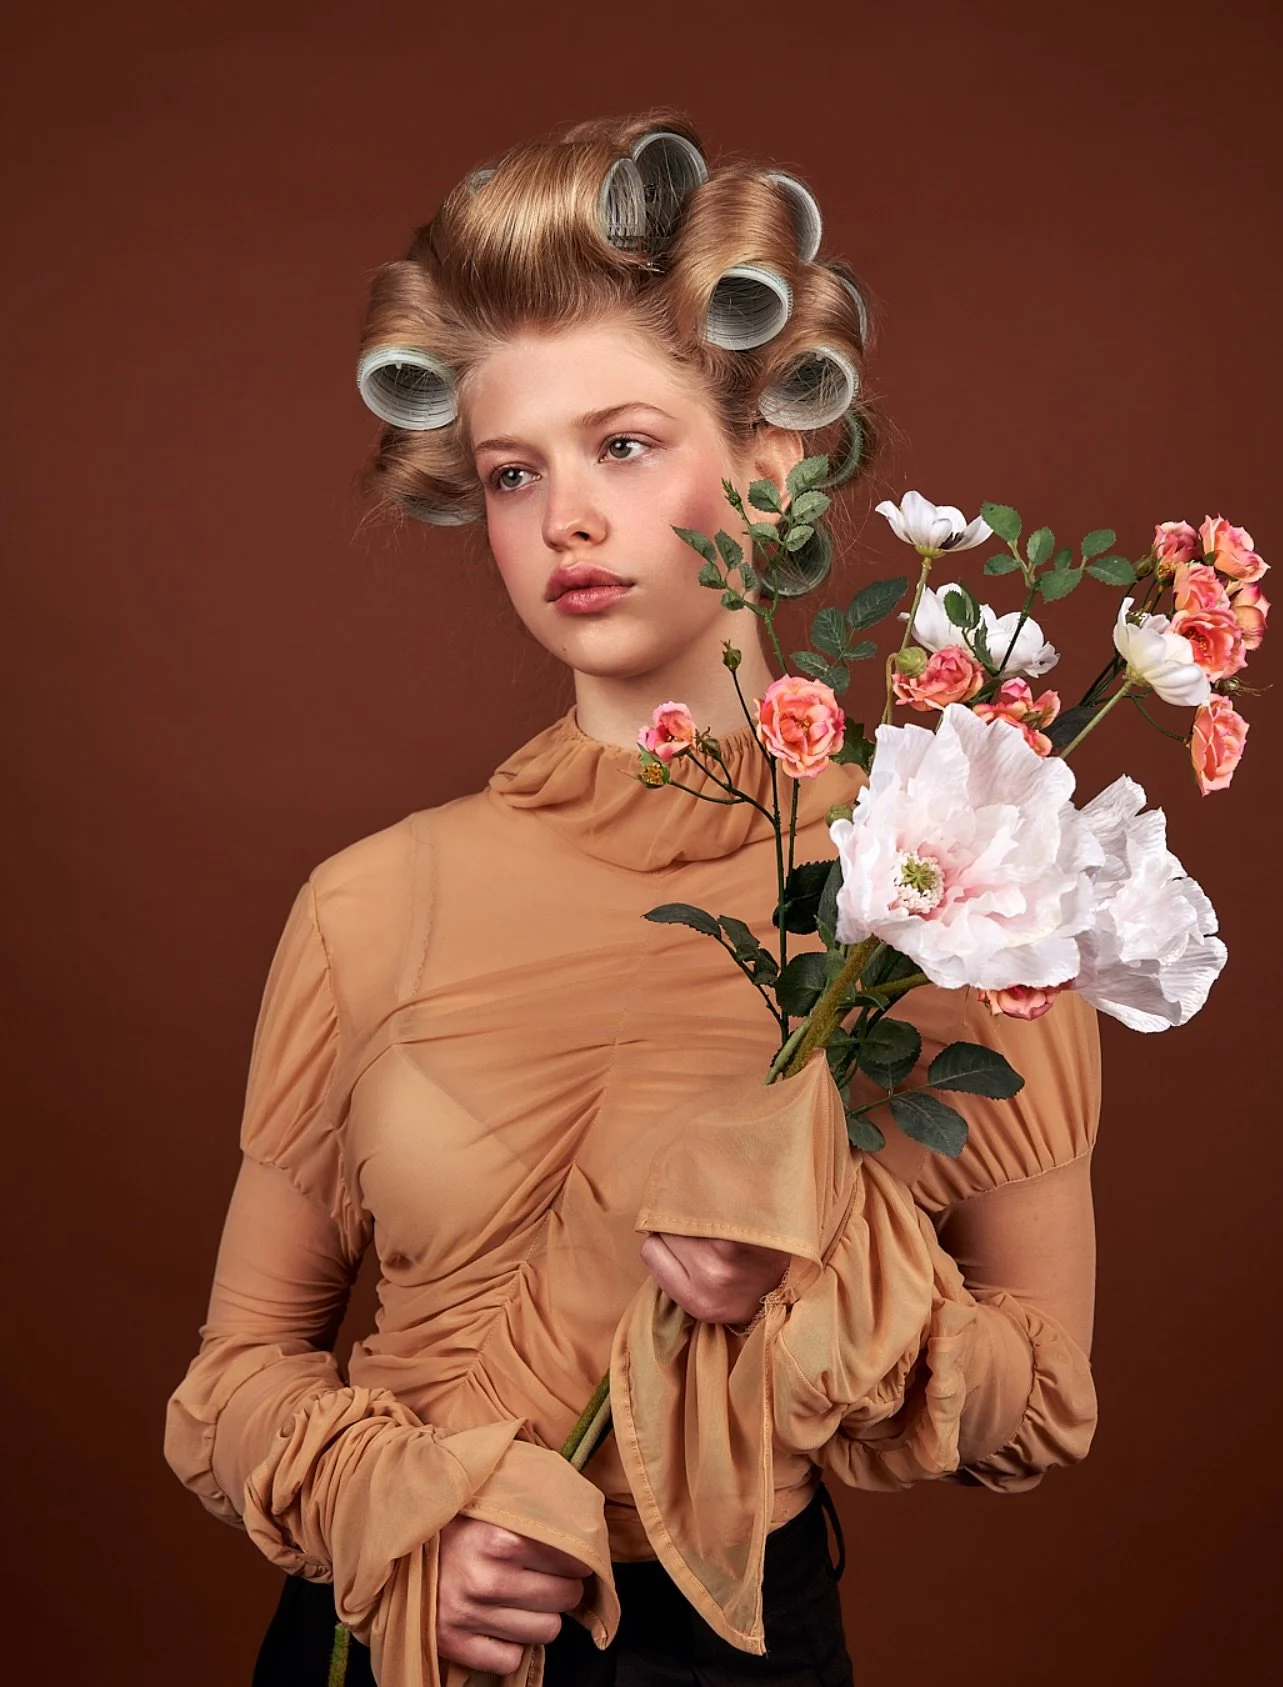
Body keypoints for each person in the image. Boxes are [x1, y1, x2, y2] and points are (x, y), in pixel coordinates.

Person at [164, 111, 1101, 1687]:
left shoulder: (943, 886)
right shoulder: (370, 901)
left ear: (769, 455)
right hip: (387, 1640)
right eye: (513, 470)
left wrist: (817, 1287)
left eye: (623, 444)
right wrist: (400, 1520)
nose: (565, 523)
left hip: (723, 1646)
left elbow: (1040, 1402)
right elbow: (228, 1383)